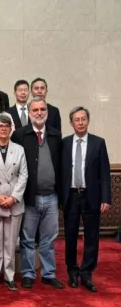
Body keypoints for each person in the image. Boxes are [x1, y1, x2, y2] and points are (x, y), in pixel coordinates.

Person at [11, 97, 64, 290]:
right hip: (30, 197)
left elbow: (61, 166)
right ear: (29, 112)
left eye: (42, 109)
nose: (39, 113)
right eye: (35, 110)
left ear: (47, 112)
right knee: (27, 238)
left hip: (51, 197)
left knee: (49, 239)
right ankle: (28, 273)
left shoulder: (55, 135)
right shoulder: (20, 135)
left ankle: (49, 274)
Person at [60, 106, 111, 292]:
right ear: (71, 123)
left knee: (92, 237)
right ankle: (72, 271)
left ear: (88, 121)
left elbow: (104, 173)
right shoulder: (64, 143)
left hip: (92, 196)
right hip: (71, 196)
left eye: (83, 119)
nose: (80, 123)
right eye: (77, 120)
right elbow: (61, 172)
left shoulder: (98, 143)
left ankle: (87, 272)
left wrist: (106, 198)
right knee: (70, 236)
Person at [0, 114, 28, 291]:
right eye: (0, 126)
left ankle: (10, 276)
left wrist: (13, 197)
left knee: (11, 243)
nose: (3, 129)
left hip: (13, 203)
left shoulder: (19, 149)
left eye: (6, 126)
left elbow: (23, 175)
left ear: (11, 129)